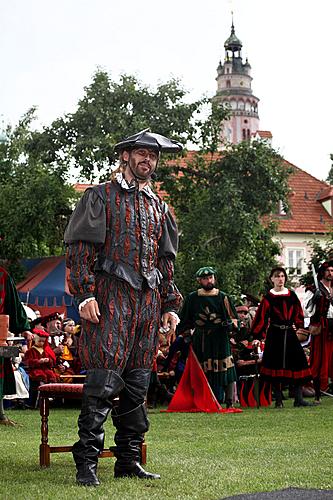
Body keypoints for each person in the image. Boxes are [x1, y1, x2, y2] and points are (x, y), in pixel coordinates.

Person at [64, 129, 182, 486]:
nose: (148, 160)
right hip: (110, 298)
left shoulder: (159, 206)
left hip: (147, 305)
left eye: (154, 156)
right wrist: (85, 295)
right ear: (126, 155)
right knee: (103, 381)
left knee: (137, 383)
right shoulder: (100, 197)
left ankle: (128, 459)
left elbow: (165, 263)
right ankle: (87, 463)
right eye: (142, 154)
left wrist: (170, 304)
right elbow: (81, 250)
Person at [251, 266, 313, 408]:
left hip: (290, 335)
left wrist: (299, 326)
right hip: (275, 334)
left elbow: (298, 314)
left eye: (282, 276)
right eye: (277, 276)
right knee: (275, 365)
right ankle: (278, 401)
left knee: (298, 363)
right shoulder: (268, 298)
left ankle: (299, 399)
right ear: (272, 279)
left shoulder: (291, 295)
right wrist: (257, 335)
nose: (280, 279)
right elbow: (261, 318)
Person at [177, 266, 238, 408]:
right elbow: (184, 319)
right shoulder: (192, 298)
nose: (208, 280)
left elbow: (233, 318)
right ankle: (203, 401)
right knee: (202, 370)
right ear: (199, 281)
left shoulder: (223, 297)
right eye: (205, 278)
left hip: (220, 337)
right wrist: (186, 334)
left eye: (210, 277)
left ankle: (229, 402)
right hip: (201, 338)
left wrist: (231, 325)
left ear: (214, 278)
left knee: (226, 367)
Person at [0, 265, 31, 413]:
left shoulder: (2, 276)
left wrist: (23, 327)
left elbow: (13, 304)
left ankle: (0, 413)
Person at [303, 260, 333, 403]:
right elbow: (306, 310)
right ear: (322, 272)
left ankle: (328, 387)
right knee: (319, 360)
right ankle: (317, 392)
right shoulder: (313, 289)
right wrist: (314, 299)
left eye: (332, 271)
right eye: (328, 270)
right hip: (321, 328)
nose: (330, 273)